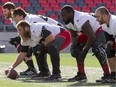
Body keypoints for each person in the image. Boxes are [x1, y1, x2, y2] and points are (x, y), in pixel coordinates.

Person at [60, 5, 111, 83]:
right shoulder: (68, 22)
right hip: (89, 33)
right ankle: (81, 74)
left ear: (70, 13)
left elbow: (92, 37)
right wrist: (73, 46)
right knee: (77, 48)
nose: (63, 18)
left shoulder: (80, 19)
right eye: (62, 16)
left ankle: (108, 75)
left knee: (97, 48)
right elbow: (74, 36)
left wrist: (85, 51)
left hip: (100, 29)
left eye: (64, 16)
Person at [11, 7, 64, 79]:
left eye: (15, 17)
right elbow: (22, 53)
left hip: (59, 32)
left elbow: (49, 35)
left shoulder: (30, 23)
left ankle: (56, 73)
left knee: (50, 46)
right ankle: (44, 72)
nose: (13, 19)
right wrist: (12, 67)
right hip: (48, 33)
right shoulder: (27, 23)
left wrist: (42, 45)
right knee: (36, 49)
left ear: (21, 15)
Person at [2, 2, 37, 76]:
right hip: (36, 34)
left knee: (22, 48)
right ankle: (31, 69)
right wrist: (18, 38)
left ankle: (36, 69)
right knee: (20, 46)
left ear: (11, 10)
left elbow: (29, 29)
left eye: (5, 11)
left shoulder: (21, 19)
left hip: (43, 35)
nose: (4, 13)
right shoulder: (14, 20)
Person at [95, 6, 116, 83]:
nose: (96, 19)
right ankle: (114, 75)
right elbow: (109, 39)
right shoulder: (104, 25)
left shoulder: (114, 23)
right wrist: (108, 45)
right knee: (109, 49)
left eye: (97, 17)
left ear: (104, 15)